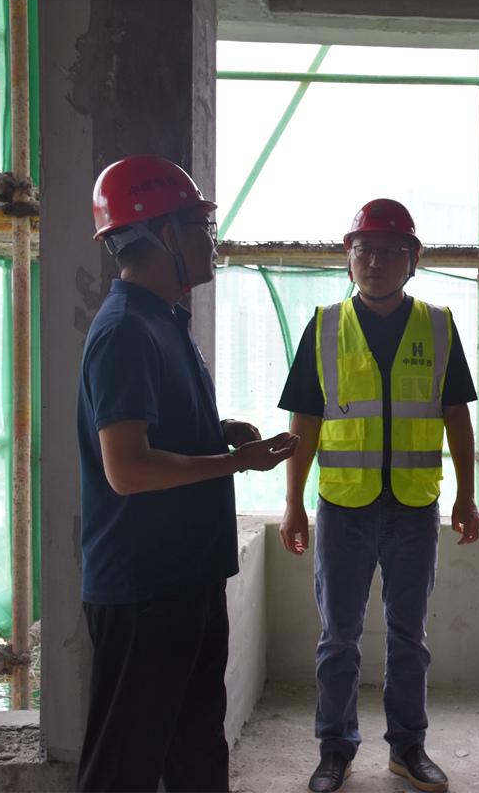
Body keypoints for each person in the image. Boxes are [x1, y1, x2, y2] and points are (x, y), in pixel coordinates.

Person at [77, 155, 299, 792]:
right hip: (145, 594)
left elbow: (153, 430)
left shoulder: (164, 320)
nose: (212, 241)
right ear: (166, 235)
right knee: (123, 771)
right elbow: (127, 468)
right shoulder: (125, 331)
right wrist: (236, 462)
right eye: (202, 226)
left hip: (187, 581)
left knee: (196, 756)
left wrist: (216, 431)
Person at [278, 198, 479, 793]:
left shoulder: (438, 326)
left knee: (408, 636)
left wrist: (467, 496)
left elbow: (456, 416)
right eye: (364, 249)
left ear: (413, 260)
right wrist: (293, 502)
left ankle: (407, 748)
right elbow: (304, 422)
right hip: (343, 507)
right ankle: (335, 750)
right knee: (338, 637)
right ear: (349, 258)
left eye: (391, 250)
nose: (375, 261)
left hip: (415, 507)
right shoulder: (324, 326)